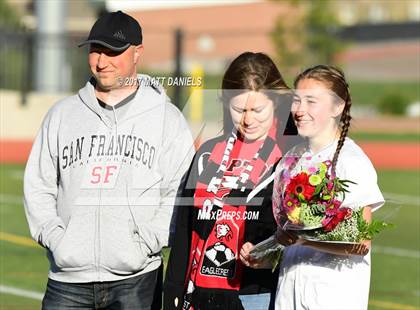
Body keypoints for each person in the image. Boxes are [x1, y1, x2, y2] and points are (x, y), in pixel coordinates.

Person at [23, 11, 194, 309]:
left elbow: (178, 192)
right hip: (67, 281)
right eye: (95, 50)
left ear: (137, 52)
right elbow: (38, 185)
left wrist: (146, 243)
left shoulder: (167, 118)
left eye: (112, 51)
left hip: (137, 279)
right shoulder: (62, 115)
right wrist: (59, 241)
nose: (101, 62)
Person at [163, 52, 299, 310]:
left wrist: (268, 253)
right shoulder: (207, 153)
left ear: (275, 103)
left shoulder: (290, 160)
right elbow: (184, 231)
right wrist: (172, 293)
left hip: (254, 297)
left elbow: (298, 234)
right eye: (238, 110)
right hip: (197, 293)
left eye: (258, 110)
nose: (247, 120)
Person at [242, 65, 385, 309]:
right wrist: (265, 253)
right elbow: (292, 237)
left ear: (337, 107)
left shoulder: (352, 161)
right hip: (288, 298)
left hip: (331, 298)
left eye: (311, 101)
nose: (299, 110)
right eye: (297, 101)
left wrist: (302, 241)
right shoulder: (292, 159)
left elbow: (360, 243)